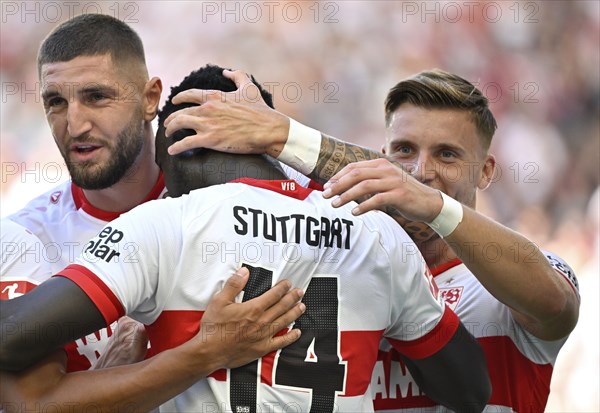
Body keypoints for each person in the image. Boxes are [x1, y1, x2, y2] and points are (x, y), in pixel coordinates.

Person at [1, 65, 491, 412]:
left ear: (171, 157)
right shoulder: (377, 229)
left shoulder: (162, 223)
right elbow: (470, 391)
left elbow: (13, 340)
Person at [161, 68, 580, 412]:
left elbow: (554, 304)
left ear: (486, 171)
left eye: (447, 155)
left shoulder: (512, 278)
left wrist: (285, 136)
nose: (420, 171)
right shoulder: (331, 261)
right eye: (403, 151)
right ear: (382, 154)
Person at [3, 13, 302, 373]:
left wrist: (288, 136)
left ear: (150, 98)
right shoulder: (25, 240)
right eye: (56, 102)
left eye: (97, 97)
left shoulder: (241, 199)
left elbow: (379, 191)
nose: (75, 125)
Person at [0, 220, 304, 411]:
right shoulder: (28, 226)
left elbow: (30, 403)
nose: (76, 123)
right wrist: (206, 353)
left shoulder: (10, 243)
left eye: (97, 109)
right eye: (55, 110)